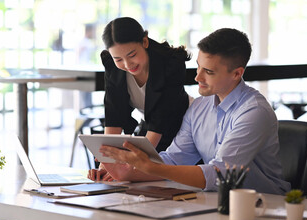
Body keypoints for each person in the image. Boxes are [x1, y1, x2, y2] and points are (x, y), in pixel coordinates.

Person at [98, 28, 291, 195]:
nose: (197, 77)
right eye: (198, 66)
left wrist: (150, 167)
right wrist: (126, 171)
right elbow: (173, 159)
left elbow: (220, 174)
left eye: (209, 71)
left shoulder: (254, 112)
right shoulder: (199, 107)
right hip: (217, 201)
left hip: (266, 206)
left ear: (237, 74)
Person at [88, 17, 193, 181]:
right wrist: (106, 165)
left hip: (183, 125)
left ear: (144, 42)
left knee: (156, 175)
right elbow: (114, 116)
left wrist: (129, 167)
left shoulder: (171, 64)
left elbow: (160, 121)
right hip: (150, 125)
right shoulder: (113, 67)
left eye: (132, 55)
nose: (128, 64)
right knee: (129, 177)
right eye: (119, 59)